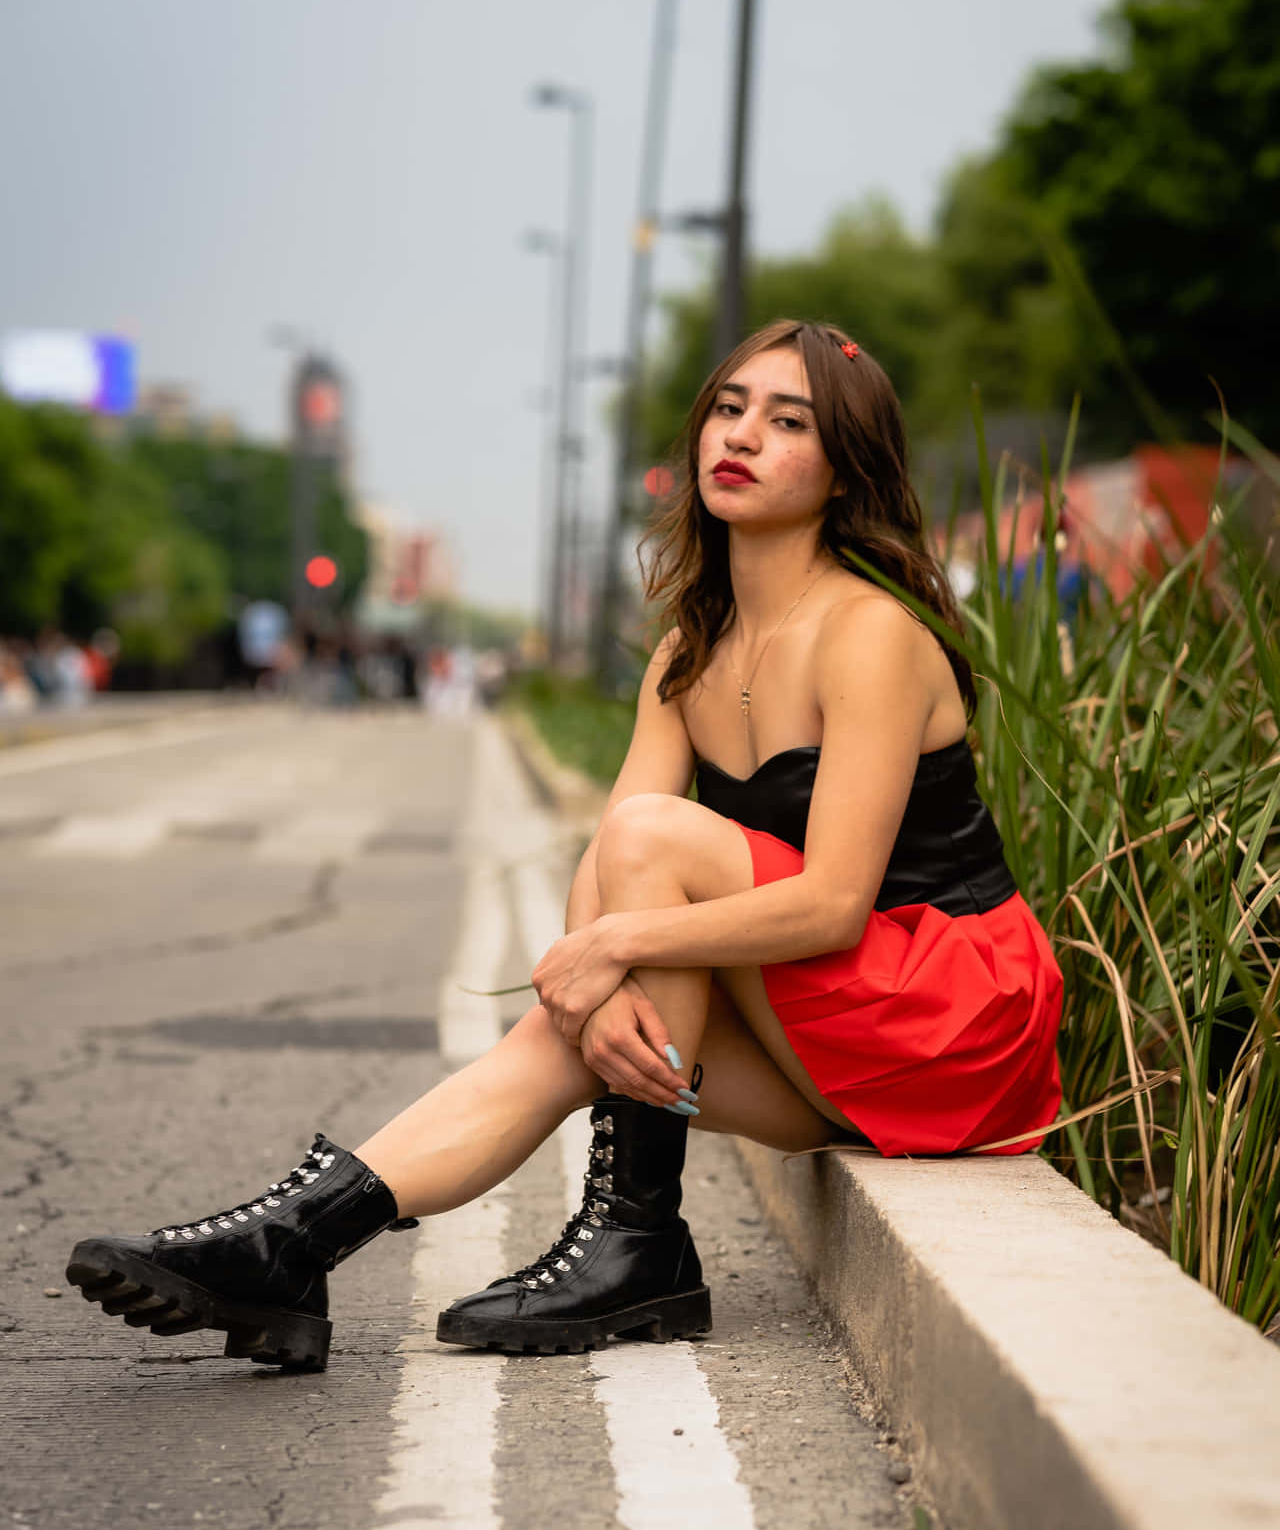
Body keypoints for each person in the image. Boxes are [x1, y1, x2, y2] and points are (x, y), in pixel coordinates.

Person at [65, 321, 1065, 1372]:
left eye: (786, 422)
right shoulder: (691, 648)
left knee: (645, 853)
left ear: (841, 470)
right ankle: (291, 1247)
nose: (741, 437)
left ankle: (635, 1239)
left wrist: (604, 951)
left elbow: (829, 906)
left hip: (951, 1015)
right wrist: (596, 997)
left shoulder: (870, 631)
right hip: (838, 1031)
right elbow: (609, 864)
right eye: (727, 410)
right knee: (570, 1014)